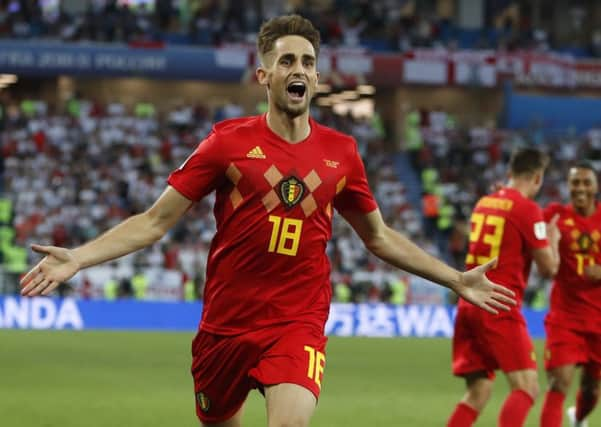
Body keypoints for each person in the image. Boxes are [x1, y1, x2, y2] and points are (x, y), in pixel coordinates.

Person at [20, 15, 516, 427]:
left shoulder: (342, 155)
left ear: (317, 79)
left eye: (308, 62)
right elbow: (154, 222)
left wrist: (454, 278)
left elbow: (379, 238)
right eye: (286, 61)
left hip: (297, 318)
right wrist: (79, 257)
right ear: (265, 77)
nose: (298, 69)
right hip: (225, 326)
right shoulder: (226, 144)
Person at [447, 147, 560, 427]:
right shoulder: (527, 209)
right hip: (498, 302)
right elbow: (549, 269)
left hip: (468, 303)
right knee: (527, 387)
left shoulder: (484, 202)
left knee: (478, 392)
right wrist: (553, 238)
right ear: (537, 178)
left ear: (509, 173)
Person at [540, 162, 601, 427]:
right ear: (568, 185)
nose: (580, 188)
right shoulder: (555, 215)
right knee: (559, 383)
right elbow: (524, 221)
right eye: (575, 182)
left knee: (592, 390)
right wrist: (505, 196)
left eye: (586, 182)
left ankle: (577, 419)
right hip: (565, 317)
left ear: (596, 186)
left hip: (598, 320)